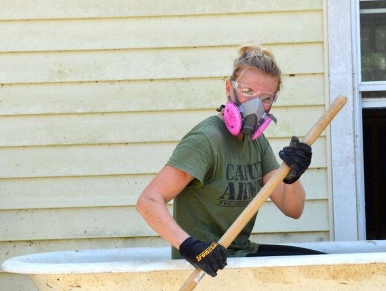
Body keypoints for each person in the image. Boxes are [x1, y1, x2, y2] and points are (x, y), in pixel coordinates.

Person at [136, 44, 323, 277]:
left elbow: (292, 209)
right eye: (247, 92)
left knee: (322, 267)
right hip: (206, 264)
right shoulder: (206, 139)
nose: (255, 105)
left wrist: (292, 175)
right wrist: (190, 247)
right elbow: (148, 200)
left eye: (265, 98)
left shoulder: (257, 142)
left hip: (239, 255)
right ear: (229, 89)